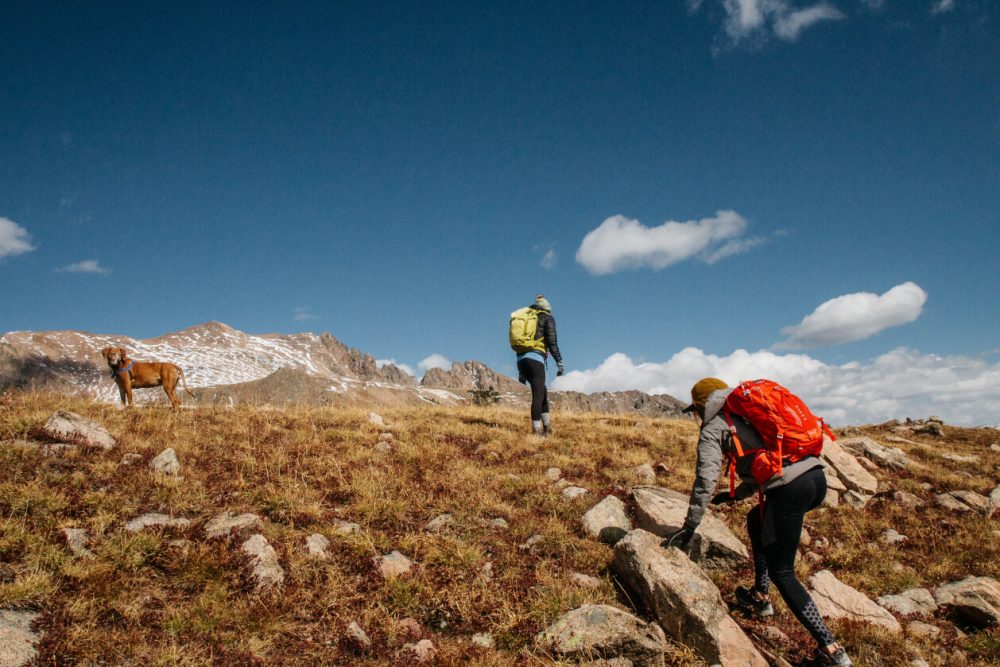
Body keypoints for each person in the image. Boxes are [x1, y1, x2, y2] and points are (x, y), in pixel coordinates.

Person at [669, 378, 853, 667]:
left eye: (695, 410)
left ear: (702, 405)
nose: (695, 416)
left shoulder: (713, 427)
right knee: (757, 519)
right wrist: (733, 495)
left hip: (790, 488)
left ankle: (832, 651)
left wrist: (690, 526)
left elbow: (705, 478)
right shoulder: (745, 414)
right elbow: (763, 464)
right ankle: (760, 595)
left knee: (784, 572)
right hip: (815, 479)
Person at [515, 294, 564, 436]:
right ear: (548, 309)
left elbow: (520, 343)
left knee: (542, 393)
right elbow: (552, 342)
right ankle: (536, 433)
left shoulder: (527, 318)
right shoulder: (547, 318)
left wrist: (522, 372)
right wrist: (559, 361)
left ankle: (548, 428)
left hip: (521, 360)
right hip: (535, 360)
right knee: (538, 395)